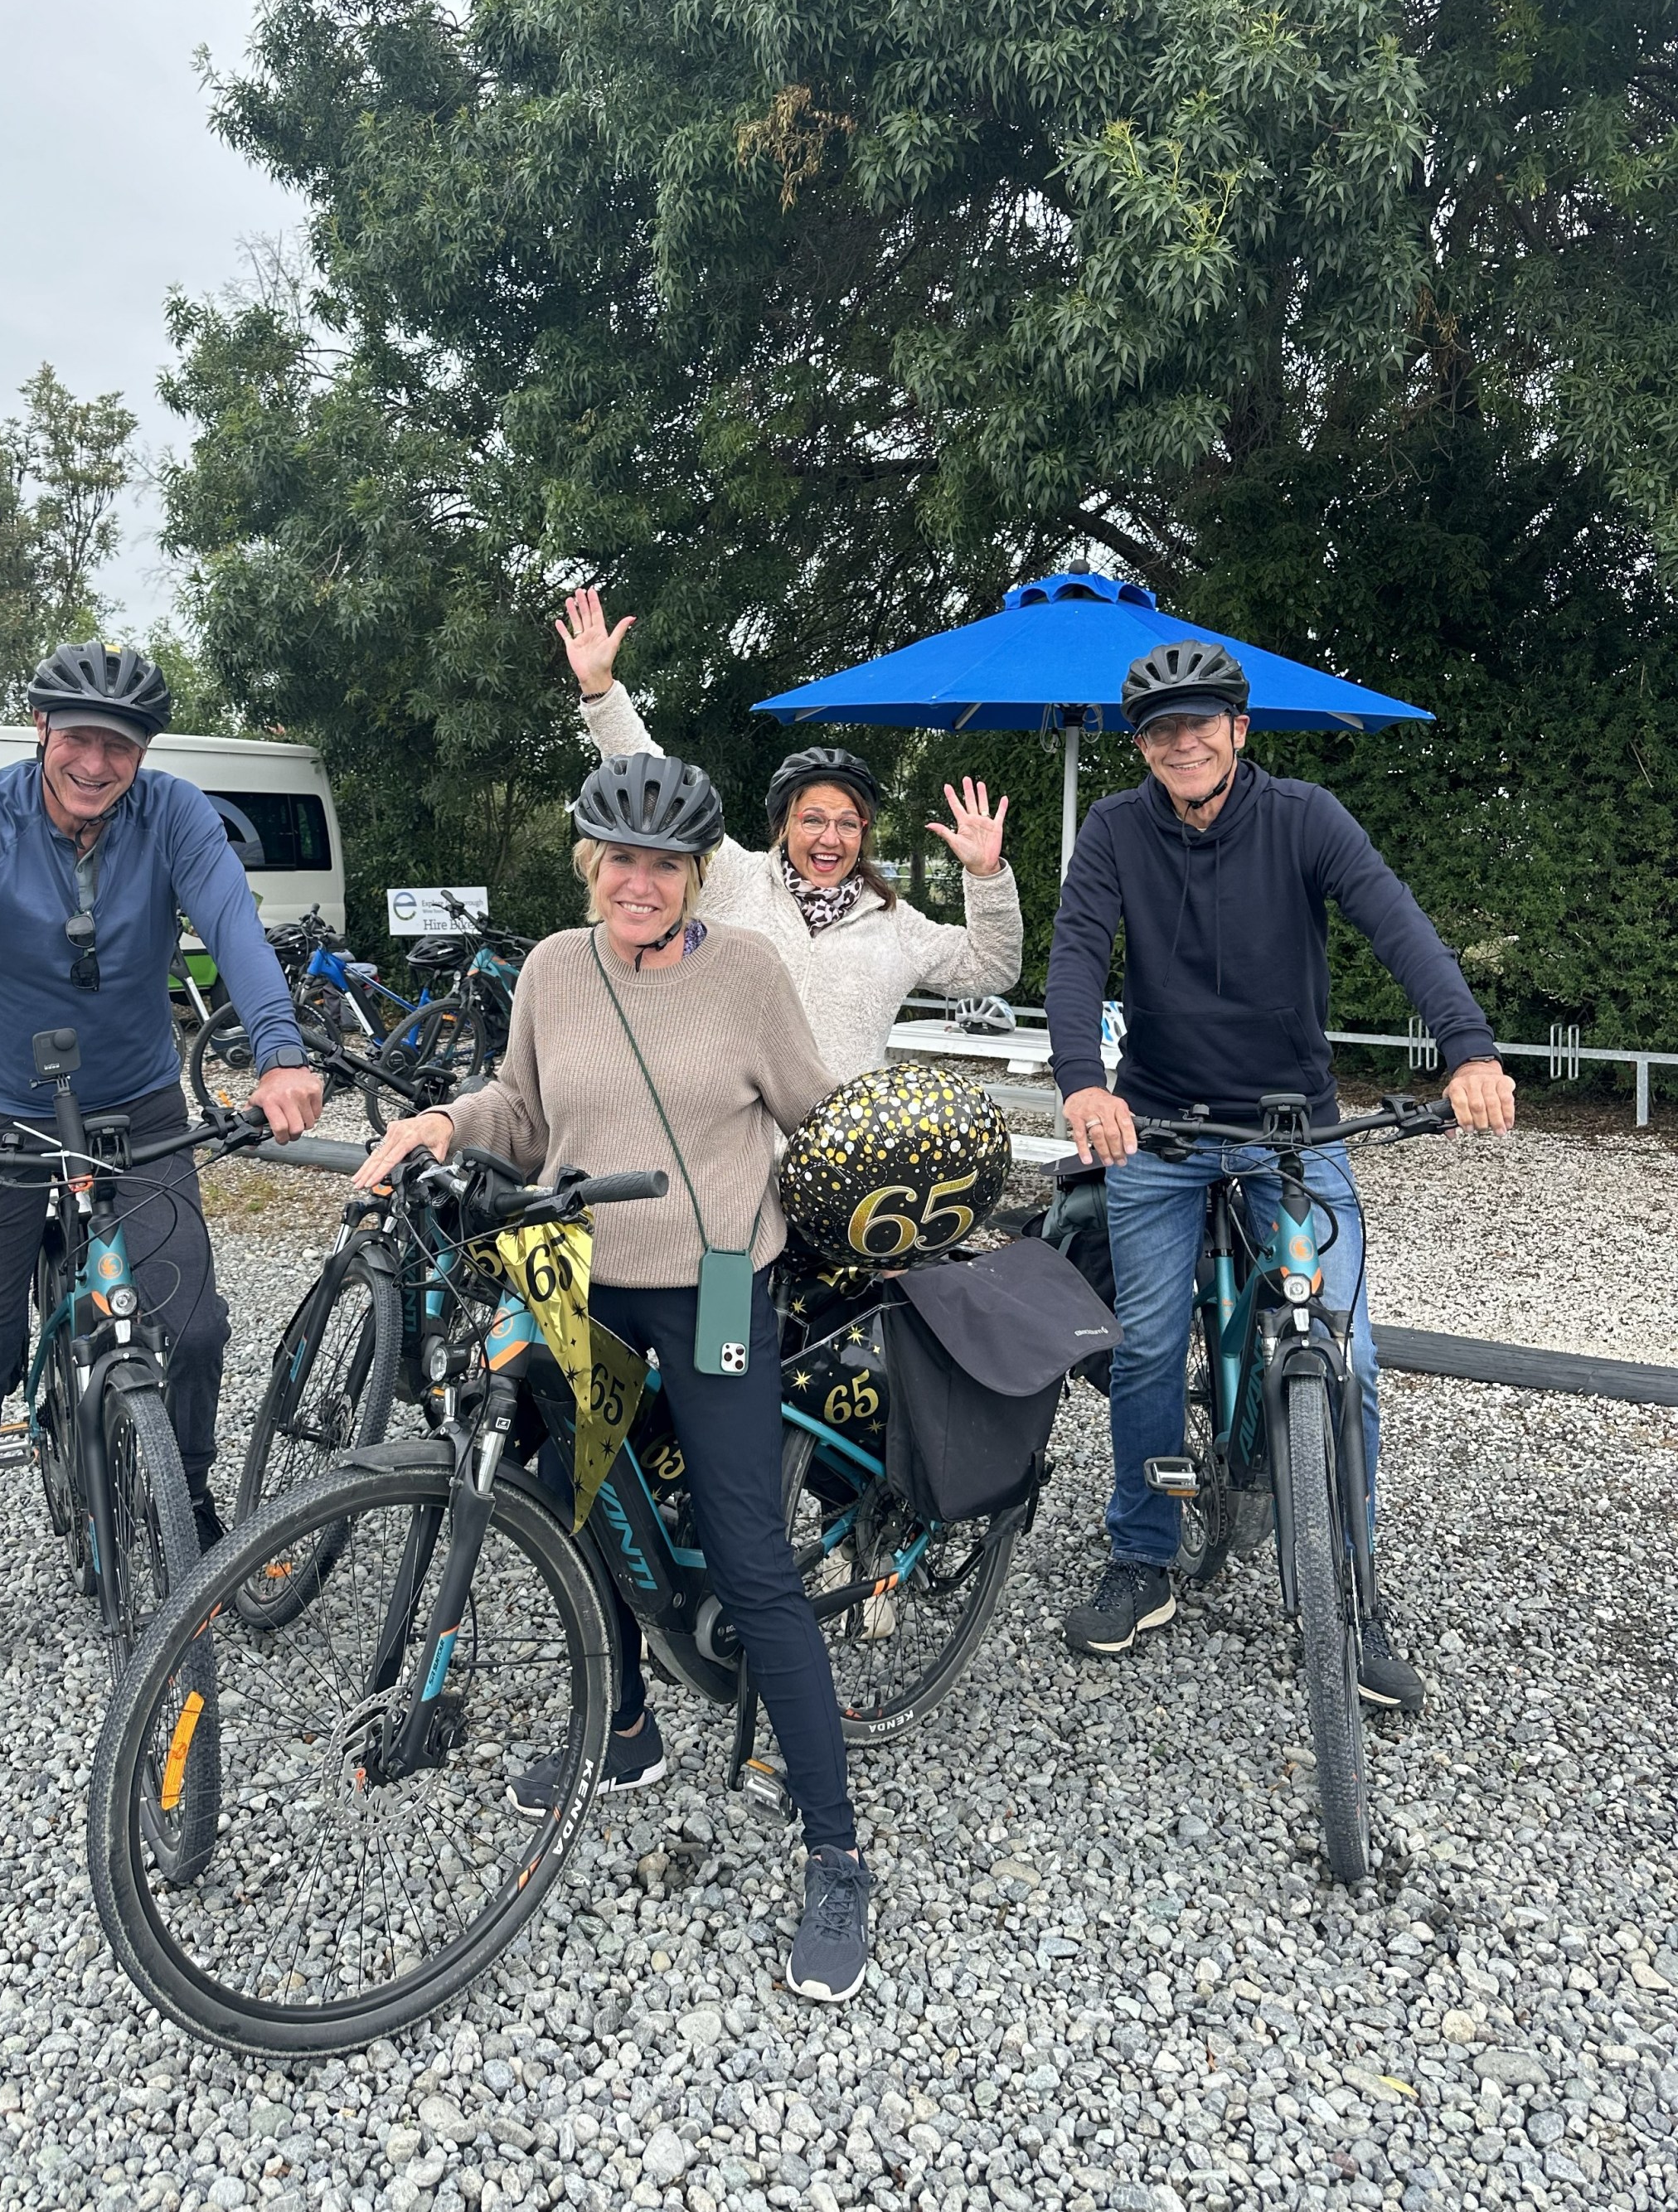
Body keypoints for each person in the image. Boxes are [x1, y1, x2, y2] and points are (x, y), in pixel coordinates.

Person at [354, 749, 875, 2001]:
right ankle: (628, 1728)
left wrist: (888, 1211)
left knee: (751, 1557)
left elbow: (818, 1114)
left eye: (664, 865)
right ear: (592, 865)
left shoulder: (747, 973)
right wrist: (442, 1124)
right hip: (576, 1270)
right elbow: (526, 1112)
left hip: (718, 1283)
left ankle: (835, 1844)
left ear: (697, 876)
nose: (639, 882)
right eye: (619, 861)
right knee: (569, 1497)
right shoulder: (552, 967)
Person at [1043, 638, 1517, 1709]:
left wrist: (1470, 1048)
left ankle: (1354, 1590)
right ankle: (1142, 1555)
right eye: (1161, 729)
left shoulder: (1306, 817)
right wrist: (1084, 1081)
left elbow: (1396, 923)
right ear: (1145, 749)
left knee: (1345, 1350)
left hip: (1288, 1127)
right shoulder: (1115, 832)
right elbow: (1076, 957)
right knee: (1150, 1344)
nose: (1182, 741)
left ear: (1239, 731)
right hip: (1158, 1125)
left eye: (1200, 722)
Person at [0, 638, 324, 1703]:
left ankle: (185, 1492)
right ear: (40, 731)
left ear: (142, 752)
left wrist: (282, 1051)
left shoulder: (174, 816)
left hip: (141, 1103)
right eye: (77, 737)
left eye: (118, 743)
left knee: (194, 1321)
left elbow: (236, 929)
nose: (95, 761)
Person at [555, 587, 1023, 1081]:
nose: (830, 838)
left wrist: (986, 874)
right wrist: (601, 692)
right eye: (814, 820)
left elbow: (991, 968)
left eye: (848, 824)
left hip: (841, 1150)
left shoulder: (894, 924)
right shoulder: (734, 879)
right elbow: (657, 790)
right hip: (728, 1148)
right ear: (784, 826)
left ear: (863, 836)